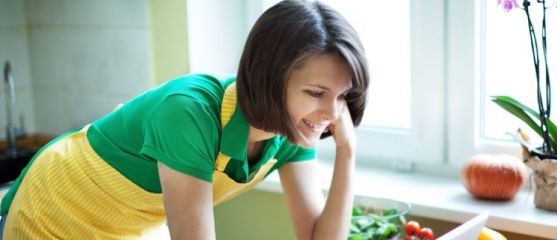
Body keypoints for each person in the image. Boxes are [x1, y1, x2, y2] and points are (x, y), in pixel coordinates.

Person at [0, 0, 369, 239]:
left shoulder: (291, 133)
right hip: (56, 210)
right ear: (270, 76)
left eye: (342, 96)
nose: (332, 113)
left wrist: (347, 152)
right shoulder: (190, 113)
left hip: (126, 226)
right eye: (316, 93)